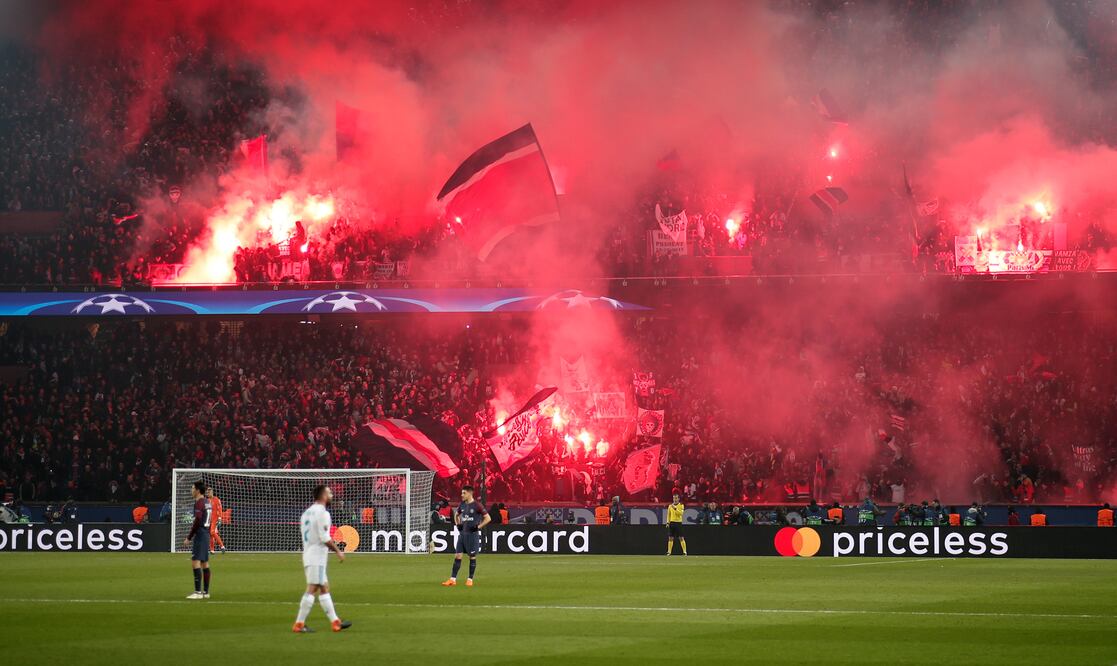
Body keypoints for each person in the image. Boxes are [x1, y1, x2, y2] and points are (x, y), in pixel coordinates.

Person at [293, 484, 351, 633]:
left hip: (308, 554)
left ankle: (335, 622)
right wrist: (338, 551)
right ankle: (299, 624)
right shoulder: (323, 513)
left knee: (324, 587)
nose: (331, 495)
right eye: (329, 493)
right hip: (317, 557)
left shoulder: (306, 513)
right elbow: (324, 538)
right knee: (313, 588)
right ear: (323, 496)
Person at [442, 485, 490, 587]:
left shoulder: (477, 505)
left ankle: (470, 579)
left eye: (464, 493)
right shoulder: (462, 505)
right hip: (462, 535)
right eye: (462, 493)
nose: (461, 495)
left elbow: (488, 518)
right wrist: (458, 524)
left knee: (471, 557)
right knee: (458, 555)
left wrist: (478, 527)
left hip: (472, 535)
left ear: (470, 493)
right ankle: (452, 579)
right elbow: (456, 514)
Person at [182, 481, 212, 600]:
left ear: (198, 490)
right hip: (206, 534)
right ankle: (205, 592)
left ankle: (198, 592)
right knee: (204, 562)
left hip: (200, 534)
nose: (191, 490)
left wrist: (189, 537)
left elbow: (198, 520)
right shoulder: (207, 502)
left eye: (193, 488)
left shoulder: (199, 503)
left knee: (195, 561)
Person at [206, 488, 226, 553]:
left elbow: (220, 509)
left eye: (209, 493)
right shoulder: (207, 500)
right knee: (211, 534)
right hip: (209, 519)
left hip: (215, 519)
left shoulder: (216, 499)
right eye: (207, 493)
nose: (208, 494)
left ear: (212, 493)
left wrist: (220, 518)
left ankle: (222, 546)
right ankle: (212, 550)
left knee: (212, 532)